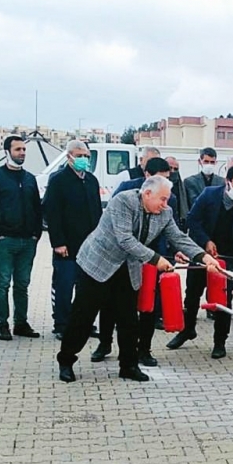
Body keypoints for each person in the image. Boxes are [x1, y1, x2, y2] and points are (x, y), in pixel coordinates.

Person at [56, 175, 221, 383]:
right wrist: (156, 259)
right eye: (162, 199)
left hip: (128, 268)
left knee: (129, 320)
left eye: (167, 199)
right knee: (83, 316)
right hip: (98, 264)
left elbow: (178, 237)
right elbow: (125, 239)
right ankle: (66, 360)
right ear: (148, 193)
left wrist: (203, 257)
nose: (165, 204)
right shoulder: (123, 201)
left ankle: (128, 365)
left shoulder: (165, 212)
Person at [91, 157, 175, 367]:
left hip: (151, 259)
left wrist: (168, 254)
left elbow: (172, 230)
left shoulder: (165, 200)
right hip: (119, 257)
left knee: (146, 306)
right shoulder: (125, 194)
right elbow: (121, 234)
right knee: (109, 305)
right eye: (160, 179)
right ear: (147, 177)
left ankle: (143, 350)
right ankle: (105, 343)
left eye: (167, 179)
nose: (164, 184)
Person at [166, 165, 233, 359]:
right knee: (191, 295)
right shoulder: (209, 195)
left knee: (222, 301)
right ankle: (188, 329)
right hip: (200, 253)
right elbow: (193, 220)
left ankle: (219, 342)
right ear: (227, 182)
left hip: (227, 259)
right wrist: (206, 241)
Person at [0, 135, 43, 341]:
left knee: (22, 284)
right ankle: (2, 324)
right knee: (3, 283)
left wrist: (36, 234)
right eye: (18, 150)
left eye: (24, 150)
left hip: (28, 241)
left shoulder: (29, 178)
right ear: (7, 152)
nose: (22, 153)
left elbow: (37, 207)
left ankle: (21, 323)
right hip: (4, 241)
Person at [42, 140, 103, 340]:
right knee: (64, 286)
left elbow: (96, 211)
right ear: (69, 157)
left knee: (86, 287)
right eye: (79, 156)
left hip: (89, 245)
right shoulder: (58, 180)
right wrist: (58, 242)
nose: (83, 159)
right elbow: (52, 213)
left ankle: (84, 323)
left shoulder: (91, 180)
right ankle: (61, 324)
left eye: (86, 156)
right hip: (66, 245)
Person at [165, 156, 189, 232]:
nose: (172, 171)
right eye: (170, 168)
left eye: (175, 169)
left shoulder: (182, 186)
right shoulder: (160, 185)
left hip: (178, 224)